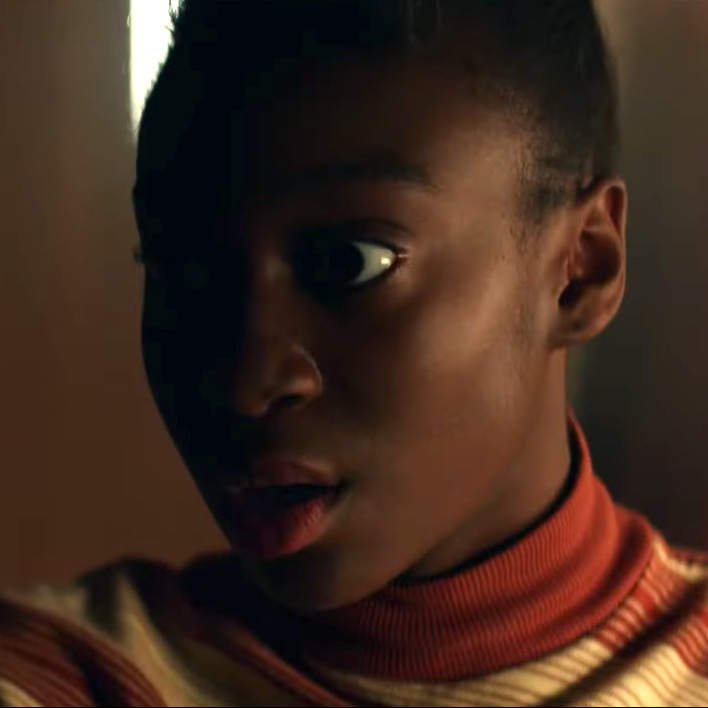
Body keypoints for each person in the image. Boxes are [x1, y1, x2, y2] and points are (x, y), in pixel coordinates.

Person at [2, 0, 708, 705]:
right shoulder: (70, 673)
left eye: (349, 263)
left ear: (581, 269)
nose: (244, 381)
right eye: (183, 273)